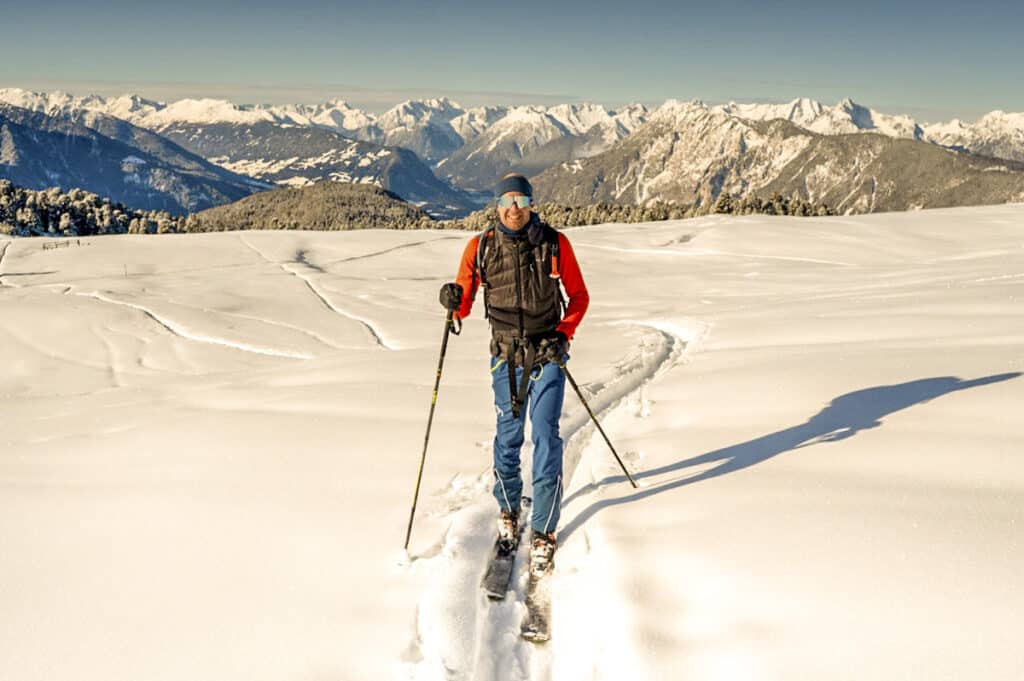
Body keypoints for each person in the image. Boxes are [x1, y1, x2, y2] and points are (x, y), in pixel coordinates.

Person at [438, 173, 589, 575]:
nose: (514, 208)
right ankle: (508, 509)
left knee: (545, 436)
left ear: (532, 204)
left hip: (546, 355)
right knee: (508, 437)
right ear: (496, 205)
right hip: (504, 357)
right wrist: (452, 301)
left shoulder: (556, 245)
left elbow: (579, 297)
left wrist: (563, 333)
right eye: (507, 201)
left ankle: (543, 530)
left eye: (521, 200)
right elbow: (464, 302)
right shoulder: (481, 247)